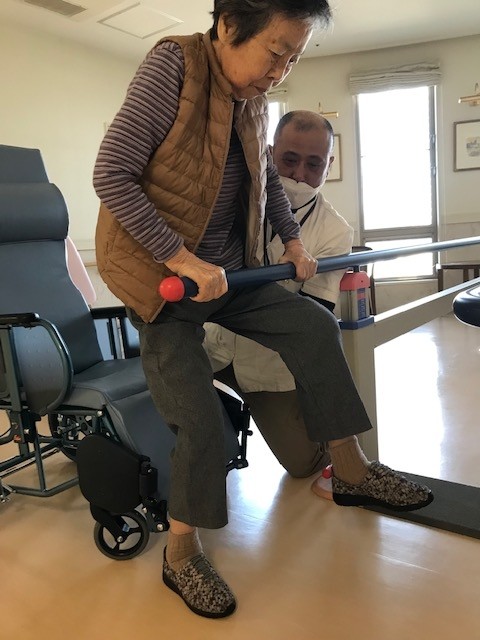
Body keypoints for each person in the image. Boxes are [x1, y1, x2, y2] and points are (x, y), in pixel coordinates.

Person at [93, 0, 433, 620]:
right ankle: (181, 552)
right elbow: (111, 173)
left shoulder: (252, 98)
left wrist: (294, 242)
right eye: (276, 52)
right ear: (228, 26)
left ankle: (352, 470)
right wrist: (180, 259)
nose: (279, 71)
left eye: (293, 60)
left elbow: (267, 181)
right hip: (164, 284)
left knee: (313, 325)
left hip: (233, 273)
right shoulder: (173, 66)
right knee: (198, 416)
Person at [203, 110, 353, 495]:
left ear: (329, 164)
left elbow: (314, 321)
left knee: (302, 464)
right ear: (269, 153)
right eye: (289, 159)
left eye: (313, 164)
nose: (299, 174)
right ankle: (218, 419)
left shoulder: (334, 231)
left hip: (267, 363)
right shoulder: (232, 197)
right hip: (210, 343)